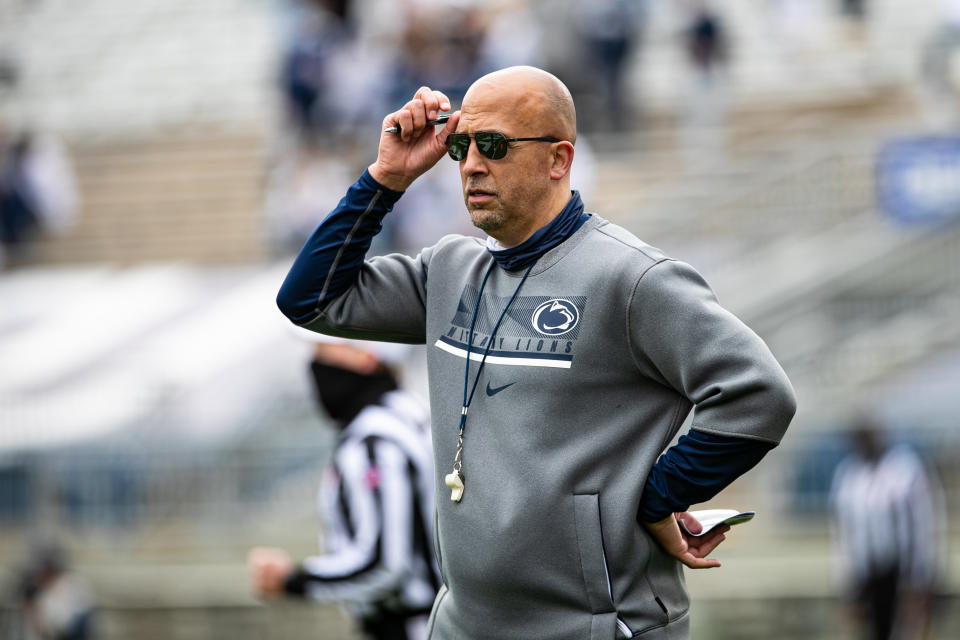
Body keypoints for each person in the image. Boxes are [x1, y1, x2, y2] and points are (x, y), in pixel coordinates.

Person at [275, 65, 796, 639]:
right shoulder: (449, 270)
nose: (472, 163)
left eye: (494, 145)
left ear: (559, 159)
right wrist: (386, 178)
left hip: (595, 628)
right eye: (460, 146)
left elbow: (758, 394)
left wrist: (653, 498)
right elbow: (309, 300)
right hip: (462, 626)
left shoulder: (634, 278)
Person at [248, 337, 440, 640]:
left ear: (365, 355)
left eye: (324, 352)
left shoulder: (375, 441)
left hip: (410, 627)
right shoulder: (411, 412)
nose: (316, 363)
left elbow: (383, 563)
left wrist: (291, 579)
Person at [830, 417, 943, 640]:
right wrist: (846, 586)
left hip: (902, 569)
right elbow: (843, 535)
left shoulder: (906, 469)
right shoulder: (849, 476)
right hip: (867, 573)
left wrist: (922, 576)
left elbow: (924, 523)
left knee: (908, 630)